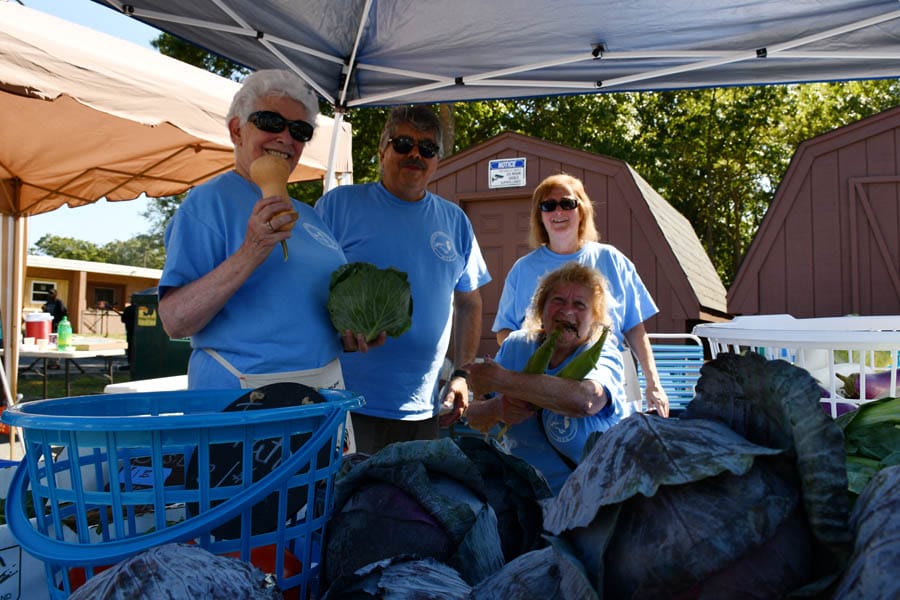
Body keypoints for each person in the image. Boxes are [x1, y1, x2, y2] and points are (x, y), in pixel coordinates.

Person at [158, 69, 381, 391]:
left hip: (323, 392)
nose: (285, 137)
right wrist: (253, 248)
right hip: (243, 397)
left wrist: (354, 332)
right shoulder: (208, 202)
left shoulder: (309, 216)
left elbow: (301, 318)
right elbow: (175, 321)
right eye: (270, 122)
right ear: (237, 130)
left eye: (300, 130)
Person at [315, 105, 491, 454]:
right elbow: (308, 289)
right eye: (403, 143)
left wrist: (462, 374)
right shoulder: (339, 206)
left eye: (427, 149)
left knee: (412, 506)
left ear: (437, 160)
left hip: (424, 410)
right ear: (382, 151)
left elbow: (470, 302)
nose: (415, 154)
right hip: (347, 404)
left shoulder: (454, 220)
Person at [492, 173, 670, 416]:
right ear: (539, 215)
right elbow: (505, 333)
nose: (558, 212)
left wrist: (654, 384)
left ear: (582, 210)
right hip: (545, 385)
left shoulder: (612, 259)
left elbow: (635, 330)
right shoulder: (522, 269)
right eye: (548, 205)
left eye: (567, 203)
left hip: (612, 375)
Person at [464, 262, 631, 494]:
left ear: (594, 318)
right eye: (558, 301)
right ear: (541, 310)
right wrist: (496, 408)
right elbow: (472, 415)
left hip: (590, 497)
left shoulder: (602, 352)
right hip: (522, 493)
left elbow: (586, 400)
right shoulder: (516, 346)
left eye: (580, 304)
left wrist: (502, 381)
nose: (567, 311)